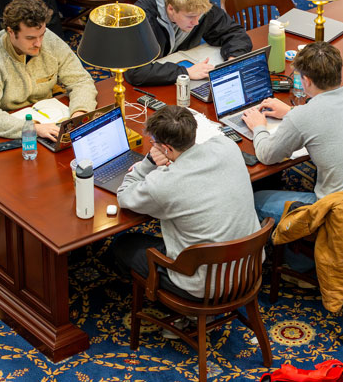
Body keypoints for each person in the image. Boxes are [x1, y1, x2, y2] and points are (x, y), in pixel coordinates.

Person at [111, 106, 261, 301]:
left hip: (204, 287)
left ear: (166, 148)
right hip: (248, 267)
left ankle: (180, 315)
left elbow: (124, 196)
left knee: (123, 245)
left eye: (154, 143)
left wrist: (148, 161)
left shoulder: (164, 184)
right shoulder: (227, 146)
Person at [241, 42, 343, 227]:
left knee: (257, 200)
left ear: (306, 80)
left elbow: (267, 155)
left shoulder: (304, 116)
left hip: (342, 219)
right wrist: (291, 111)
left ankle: (282, 254)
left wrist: (259, 126)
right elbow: (331, 115)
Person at [0, 0, 97, 140]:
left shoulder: (49, 40)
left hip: (49, 119)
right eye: (30, 38)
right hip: (10, 128)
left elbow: (81, 81)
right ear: (11, 32)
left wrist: (79, 114)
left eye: (41, 35)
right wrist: (33, 129)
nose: (39, 43)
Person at [125, 0, 253, 86]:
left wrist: (232, 60)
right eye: (190, 17)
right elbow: (134, 71)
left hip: (172, 74)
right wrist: (185, 72)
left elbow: (235, 33)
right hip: (149, 83)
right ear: (171, 9)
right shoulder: (142, 19)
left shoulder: (197, 7)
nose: (196, 22)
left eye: (199, 15)